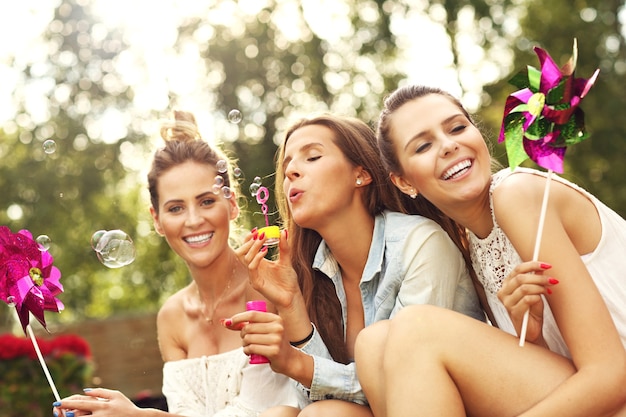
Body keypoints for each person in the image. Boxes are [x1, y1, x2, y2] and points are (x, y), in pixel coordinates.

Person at [354, 84, 626, 416]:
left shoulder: (516, 195)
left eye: (457, 127)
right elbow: (541, 373)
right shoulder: (471, 246)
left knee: (417, 327)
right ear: (404, 182)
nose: (449, 145)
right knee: (372, 344)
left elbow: (612, 376)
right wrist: (533, 335)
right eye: (423, 146)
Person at [225, 114, 486, 417]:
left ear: (361, 175)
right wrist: (290, 301)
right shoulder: (315, 268)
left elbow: (402, 381)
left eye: (312, 157)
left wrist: (296, 363)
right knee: (283, 415)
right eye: (287, 168)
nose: (292, 172)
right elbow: (321, 400)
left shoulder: (420, 243)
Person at [53, 111, 301, 417]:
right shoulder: (171, 316)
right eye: (175, 208)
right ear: (157, 220)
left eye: (207, 201)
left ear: (232, 204)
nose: (194, 220)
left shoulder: (274, 287)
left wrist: (139, 416)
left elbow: (271, 411)